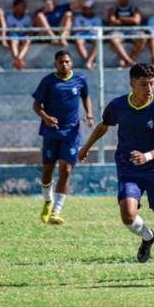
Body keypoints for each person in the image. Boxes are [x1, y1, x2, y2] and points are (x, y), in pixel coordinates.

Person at [78, 64, 154, 278]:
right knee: (127, 215)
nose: (149, 89)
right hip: (129, 168)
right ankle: (147, 237)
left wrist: (146, 156)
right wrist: (86, 147)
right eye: (144, 84)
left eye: (152, 84)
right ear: (132, 84)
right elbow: (104, 125)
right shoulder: (118, 105)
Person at [32, 51, 94, 225]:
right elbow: (36, 105)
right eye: (61, 62)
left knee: (66, 170)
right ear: (55, 64)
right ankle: (47, 201)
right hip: (51, 132)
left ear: (72, 62)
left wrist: (89, 114)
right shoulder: (48, 82)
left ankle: (56, 212)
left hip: (72, 133)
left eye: (67, 61)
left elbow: (85, 96)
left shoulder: (80, 80)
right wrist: (46, 117)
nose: (64, 65)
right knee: (48, 170)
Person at [34, 0, 98, 46]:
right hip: (47, 35)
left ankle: (63, 38)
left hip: (61, 32)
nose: (51, 0)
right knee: (40, 16)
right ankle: (53, 38)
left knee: (68, 13)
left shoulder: (62, 8)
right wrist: (45, 11)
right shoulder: (40, 12)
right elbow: (34, 24)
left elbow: (78, 3)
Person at [106, 0, 144, 67]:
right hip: (119, 31)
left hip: (133, 30)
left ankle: (128, 60)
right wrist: (130, 19)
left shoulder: (134, 8)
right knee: (113, 39)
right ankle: (130, 62)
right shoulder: (113, 9)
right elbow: (113, 21)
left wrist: (120, 18)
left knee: (143, 38)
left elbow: (136, 21)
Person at [73, 0, 103, 70]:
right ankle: (89, 62)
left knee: (98, 41)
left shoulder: (97, 19)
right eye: (84, 8)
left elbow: (98, 32)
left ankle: (89, 61)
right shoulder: (78, 18)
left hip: (92, 36)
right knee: (78, 40)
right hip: (82, 35)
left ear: (92, 8)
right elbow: (75, 30)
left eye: (88, 8)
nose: (86, 10)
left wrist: (89, 29)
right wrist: (86, 29)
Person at [5, 0, 33, 70]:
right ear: (15, 7)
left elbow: (30, 31)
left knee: (27, 40)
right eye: (21, 6)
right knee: (14, 40)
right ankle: (19, 60)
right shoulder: (9, 17)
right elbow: (7, 30)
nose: (23, 8)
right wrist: (14, 29)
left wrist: (23, 30)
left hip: (23, 35)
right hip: (14, 35)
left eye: (24, 7)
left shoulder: (27, 18)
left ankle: (18, 59)